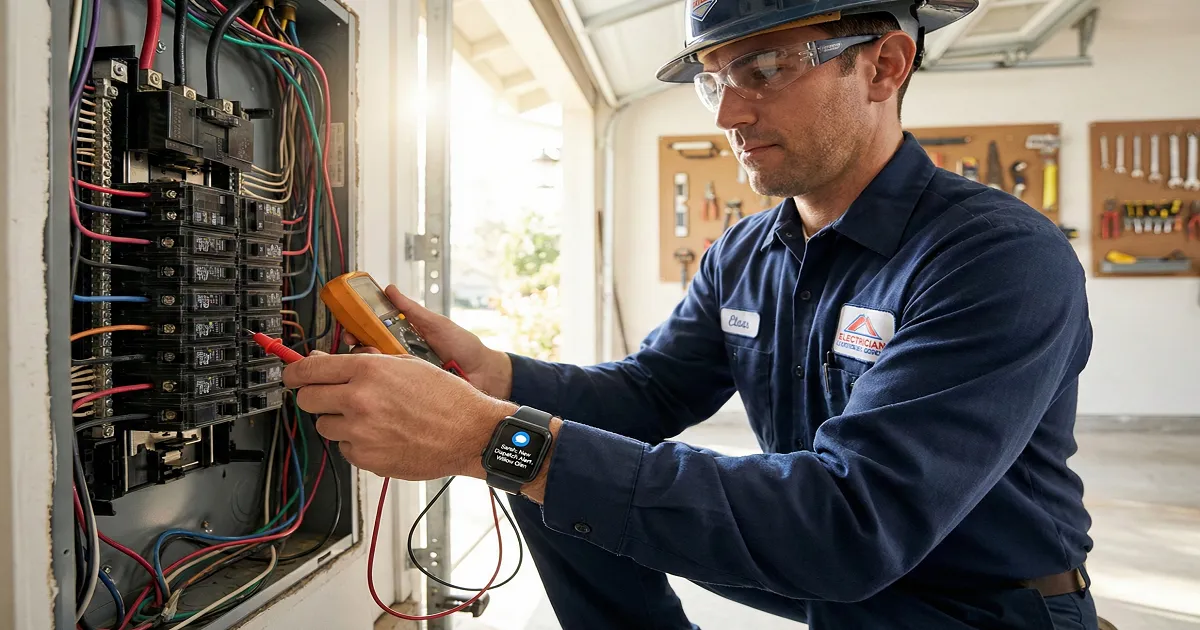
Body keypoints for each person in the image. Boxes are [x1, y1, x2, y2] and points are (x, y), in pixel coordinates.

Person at [284, 0, 1101, 627]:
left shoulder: (995, 256)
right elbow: (648, 394)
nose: (725, 115)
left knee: (533, 455)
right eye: (715, 78)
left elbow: (852, 523)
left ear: (884, 64)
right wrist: (495, 379)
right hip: (832, 589)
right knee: (560, 477)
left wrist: (490, 436)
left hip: (981, 605)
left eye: (765, 70)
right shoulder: (746, 252)